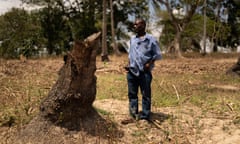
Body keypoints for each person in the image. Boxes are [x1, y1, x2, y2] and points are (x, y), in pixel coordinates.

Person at [125, 18, 162, 121]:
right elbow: (130, 54)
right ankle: (133, 114)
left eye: (137, 24)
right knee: (132, 94)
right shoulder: (133, 39)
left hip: (144, 73)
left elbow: (157, 54)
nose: (134, 26)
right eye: (134, 25)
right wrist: (128, 64)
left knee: (145, 94)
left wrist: (149, 63)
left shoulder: (150, 39)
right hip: (132, 72)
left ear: (143, 25)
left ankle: (145, 115)